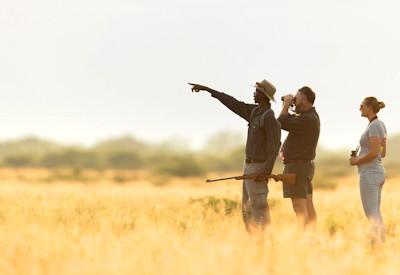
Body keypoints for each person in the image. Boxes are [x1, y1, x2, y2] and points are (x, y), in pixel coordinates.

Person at [189, 80, 281, 233]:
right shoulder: (254, 112)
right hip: (249, 166)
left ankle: (266, 241)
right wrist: (208, 89)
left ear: (264, 96)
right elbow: (232, 102)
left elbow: (273, 147)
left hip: (259, 167)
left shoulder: (269, 117)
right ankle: (252, 239)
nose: (254, 93)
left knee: (259, 207)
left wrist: (265, 171)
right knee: (246, 209)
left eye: (257, 91)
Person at [279, 87, 320, 227]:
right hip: (303, 166)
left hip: (298, 167)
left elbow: (282, 122)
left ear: (304, 98)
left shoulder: (307, 119)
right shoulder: (309, 117)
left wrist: (286, 104)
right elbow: (288, 120)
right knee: (308, 205)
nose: (294, 102)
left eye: (296, 98)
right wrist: (288, 105)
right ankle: (313, 237)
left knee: (299, 207)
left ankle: (304, 240)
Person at [350, 97, 387, 243]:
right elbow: (382, 153)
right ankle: (381, 244)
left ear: (369, 108)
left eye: (361, 106)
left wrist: (356, 161)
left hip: (370, 174)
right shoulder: (379, 124)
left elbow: (374, 153)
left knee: (371, 213)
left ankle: (376, 244)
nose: (359, 108)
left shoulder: (373, 126)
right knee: (375, 211)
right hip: (377, 172)